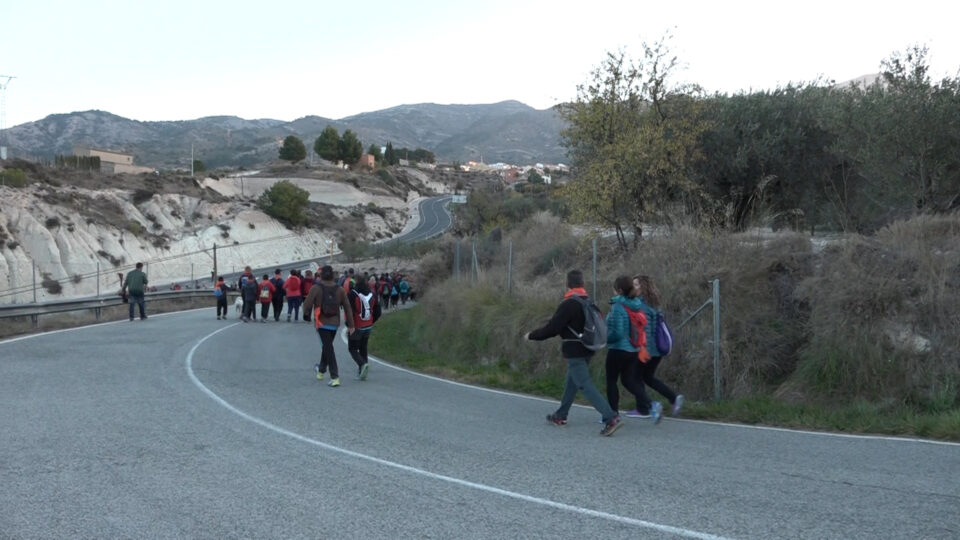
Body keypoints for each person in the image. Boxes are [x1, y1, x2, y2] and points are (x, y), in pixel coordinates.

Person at [526, 269, 623, 436]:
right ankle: (560, 415)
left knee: (584, 384)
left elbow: (552, 328)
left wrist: (532, 335)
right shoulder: (588, 302)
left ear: (567, 284)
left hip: (574, 350)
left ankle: (610, 417)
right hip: (588, 347)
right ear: (583, 284)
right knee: (572, 382)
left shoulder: (569, 304)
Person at [604, 276, 661, 424]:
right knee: (628, 380)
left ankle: (613, 414)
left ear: (619, 290)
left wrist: (605, 339)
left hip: (618, 349)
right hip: (633, 350)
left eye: (614, 288)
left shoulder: (617, 306)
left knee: (611, 381)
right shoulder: (636, 304)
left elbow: (618, 332)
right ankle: (651, 404)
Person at [628, 275, 684, 417]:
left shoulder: (640, 305)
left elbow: (644, 329)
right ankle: (673, 398)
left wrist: (641, 348)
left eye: (635, 284)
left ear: (642, 287)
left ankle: (645, 408)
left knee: (634, 378)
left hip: (646, 349)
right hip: (657, 350)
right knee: (648, 377)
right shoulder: (654, 303)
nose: (632, 287)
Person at [303, 265, 355, 387]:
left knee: (328, 348)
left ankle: (335, 376)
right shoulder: (340, 289)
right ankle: (321, 370)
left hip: (321, 323)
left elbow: (307, 303)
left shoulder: (316, 288)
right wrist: (351, 325)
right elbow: (347, 307)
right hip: (335, 323)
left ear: (321, 275)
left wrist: (306, 315)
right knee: (327, 346)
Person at [347, 278, 381, 380]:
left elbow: (350, 312)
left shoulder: (352, 294)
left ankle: (362, 365)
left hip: (357, 325)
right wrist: (371, 320)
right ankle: (362, 371)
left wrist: (350, 325)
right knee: (363, 348)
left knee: (352, 348)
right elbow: (378, 311)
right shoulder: (373, 294)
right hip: (368, 325)